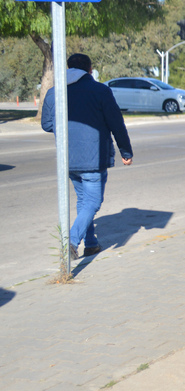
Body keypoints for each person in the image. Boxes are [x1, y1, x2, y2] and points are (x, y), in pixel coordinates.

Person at [41, 53, 133, 260]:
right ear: (90, 71)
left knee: (84, 201)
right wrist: (126, 152)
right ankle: (71, 243)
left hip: (68, 158)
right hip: (93, 157)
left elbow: (47, 124)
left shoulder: (54, 93)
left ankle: (91, 244)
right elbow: (116, 124)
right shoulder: (101, 91)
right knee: (93, 201)